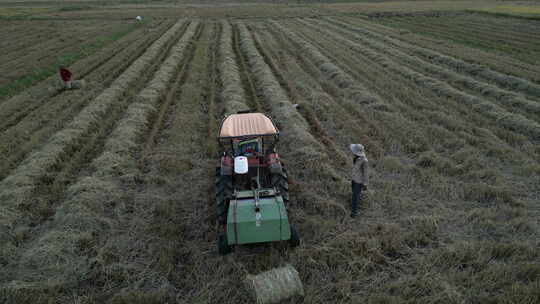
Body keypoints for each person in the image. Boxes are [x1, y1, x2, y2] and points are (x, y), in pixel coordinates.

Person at [350, 143, 368, 218]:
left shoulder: (364, 161)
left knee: (355, 196)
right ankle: (355, 204)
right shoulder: (356, 157)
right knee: (354, 193)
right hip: (354, 179)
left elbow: (366, 173)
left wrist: (365, 183)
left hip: (359, 181)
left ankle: (354, 213)